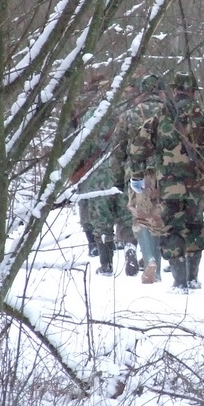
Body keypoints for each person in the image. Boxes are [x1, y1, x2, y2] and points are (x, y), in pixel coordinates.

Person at [128, 72, 204, 292]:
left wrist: (137, 175)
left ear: (174, 90)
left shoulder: (161, 115)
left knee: (172, 228)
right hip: (197, 186)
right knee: (195, 226)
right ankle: (192, 278)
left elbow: (137, 148)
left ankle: (179, 281)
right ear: (193, 91)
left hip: (168, 186)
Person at [72, 74, 138, 277]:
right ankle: (130, 249)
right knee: (127, 218)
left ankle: (106, 265)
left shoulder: (91, 117)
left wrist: (76, 170)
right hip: (122, 174)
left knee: (102, 222)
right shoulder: (128, 114)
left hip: (97, 178)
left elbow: (80, 149)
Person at [112, 73, 168, 284]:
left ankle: (150, 259)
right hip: (165, 173)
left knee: (142, 219)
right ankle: (158, 268)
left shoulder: (129, 115)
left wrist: (118, 179)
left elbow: (118, 151)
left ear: (141, 92)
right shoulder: (170, 113)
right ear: (160, 91)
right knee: (159, 218)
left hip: (138, 174)